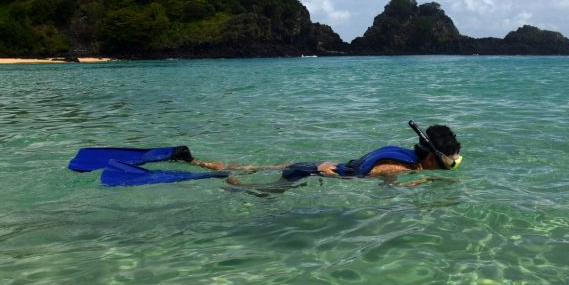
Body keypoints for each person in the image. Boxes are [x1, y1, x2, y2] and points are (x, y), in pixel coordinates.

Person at [188, 121, 462, 187]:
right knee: (262, 191)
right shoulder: (406, 168)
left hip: (319, 165)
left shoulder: (405, 155)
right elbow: (377, 178)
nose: (451, 168)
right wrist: (413, 185)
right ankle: (230, 183)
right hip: (315, 170)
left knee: (254, 167)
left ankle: (202, 163)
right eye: (450, 165)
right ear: (430, 158)